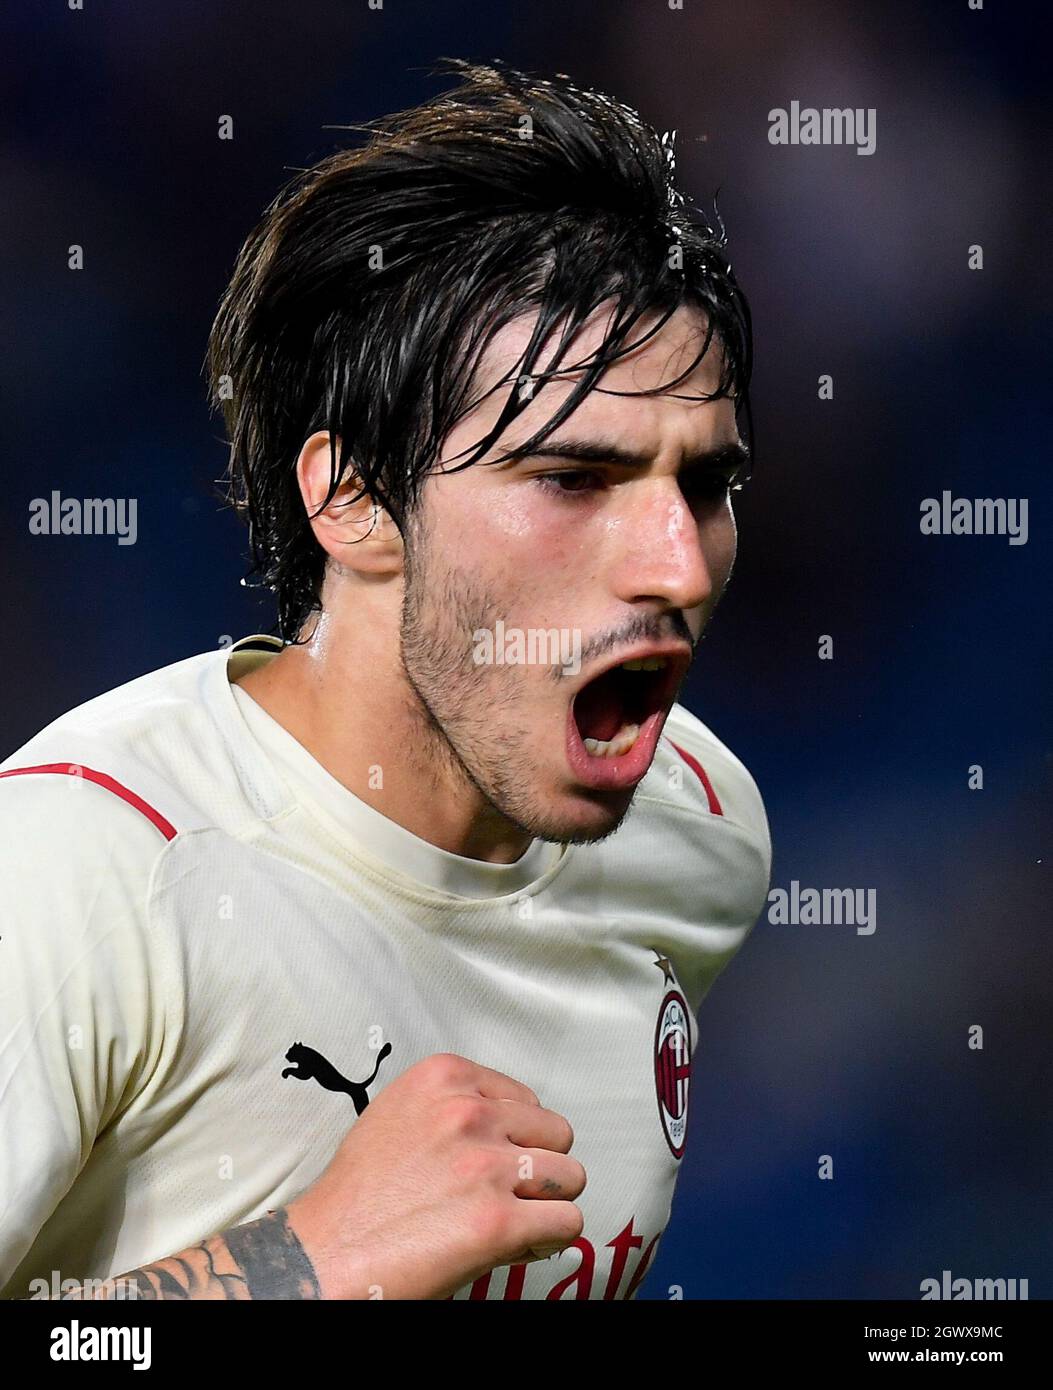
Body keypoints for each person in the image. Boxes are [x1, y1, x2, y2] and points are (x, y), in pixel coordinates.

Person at [0, 58, 771, 1301]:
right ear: (354, 500)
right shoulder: (81, 870)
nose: (676, 565)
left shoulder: (699, 827)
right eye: (571, 480)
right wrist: (303, 1263)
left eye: (705, 484)